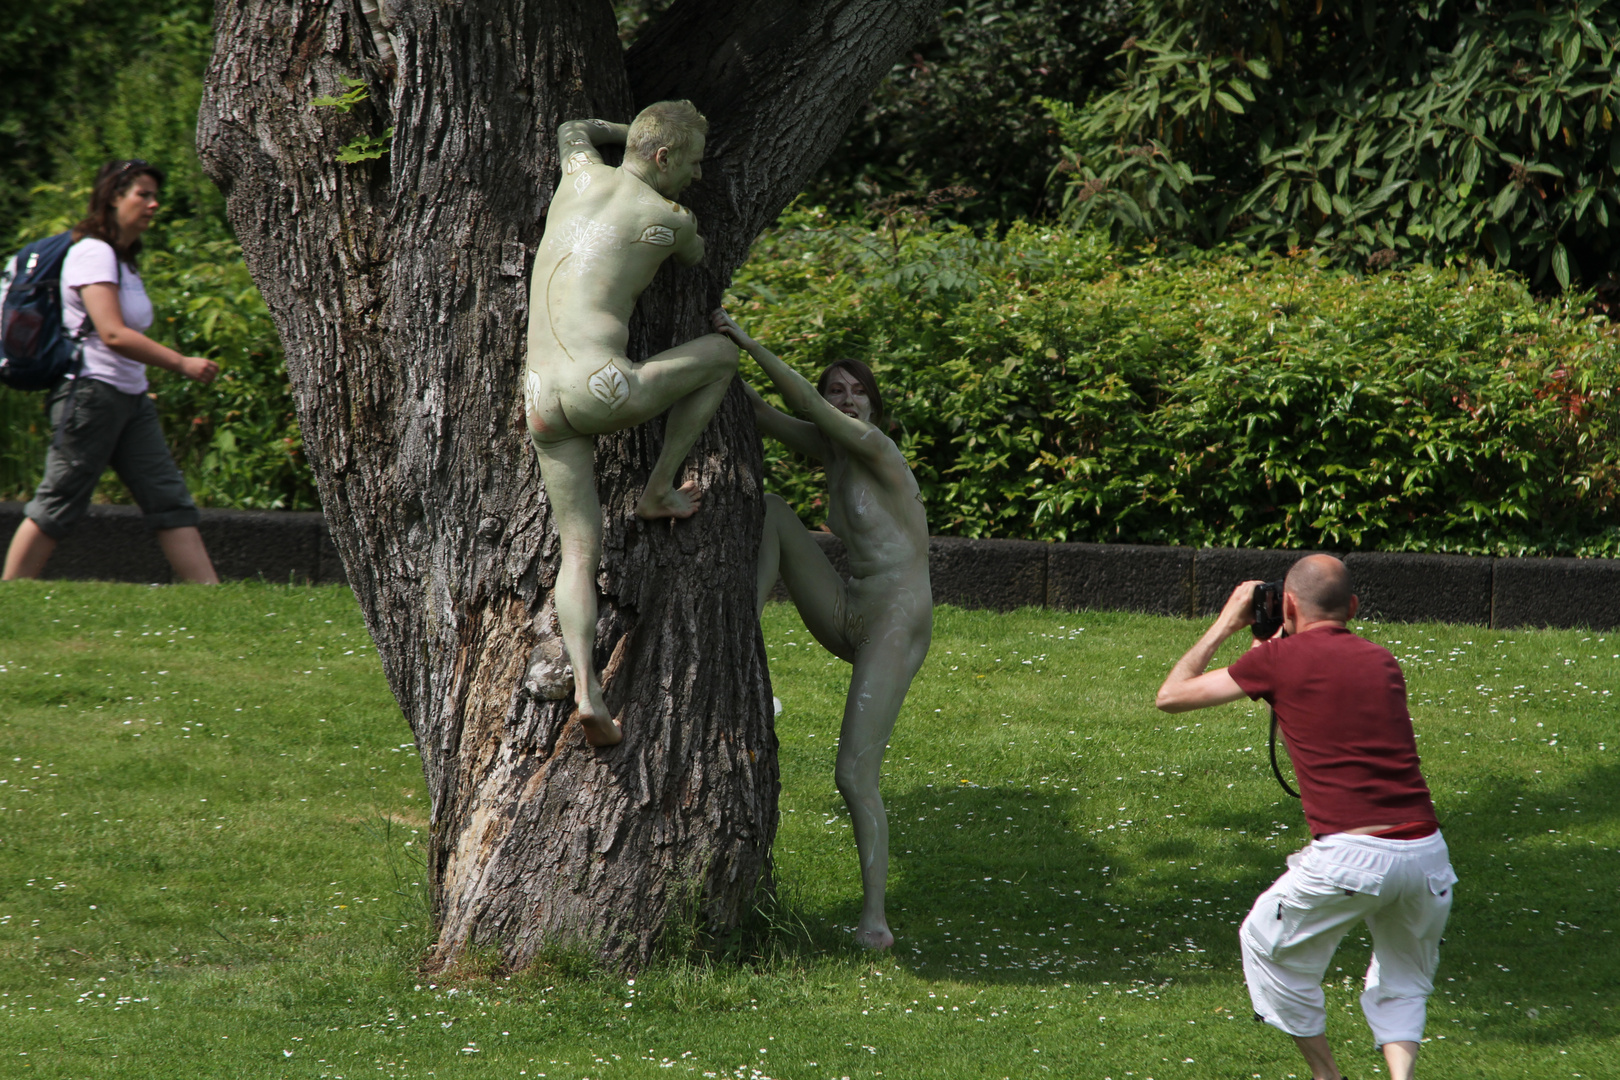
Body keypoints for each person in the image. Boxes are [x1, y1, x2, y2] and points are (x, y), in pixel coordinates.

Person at [1155, 555, 1456, 1080]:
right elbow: (1307, 689)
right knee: (1404, 979)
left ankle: (1326, 1074)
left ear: (1288, 604)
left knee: (1263, 943)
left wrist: (1229, 621)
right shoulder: (1382, 660)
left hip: (1351, 859)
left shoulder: (1279, 662)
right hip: (1427, 856)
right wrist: (1270, 647)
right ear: (1354, 607)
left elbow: (1171, 696)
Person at [713, 307, 932, 950]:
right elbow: (760, 412)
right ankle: (739, 639)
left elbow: (800, 400)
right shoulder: (832, 452)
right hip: (848, 608)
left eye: (857, 389)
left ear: (875, 404)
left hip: (896, 617)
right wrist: (710, 357)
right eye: (837, 390)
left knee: (853, 775)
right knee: (775, 512)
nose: (846, 398)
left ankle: (875, 919)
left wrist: (745, 338)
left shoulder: (877, 447)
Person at [524, 101, 738, 747]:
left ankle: (588, 689)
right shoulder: (669, 218)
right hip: (599, 387)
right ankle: (658, 489)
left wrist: (633, 137)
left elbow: (573, 129)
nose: (697, 175)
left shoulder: (580, 172)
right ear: (665, 157)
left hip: (539, 398)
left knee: (578, 554)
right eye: (693, 161)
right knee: (723, 356)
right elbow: (698, 257)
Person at [3, 159, 220, 583]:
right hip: (91, 395)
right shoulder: (93, 253)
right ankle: (9, 591)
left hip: (129, 396)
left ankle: (211, 596)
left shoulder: (123, 260)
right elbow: (113, 333)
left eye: (156, 196)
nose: (154, 204)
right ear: (113, 197)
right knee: (59, 501)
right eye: (143, 194)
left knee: (168, 498)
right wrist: (181, 363)